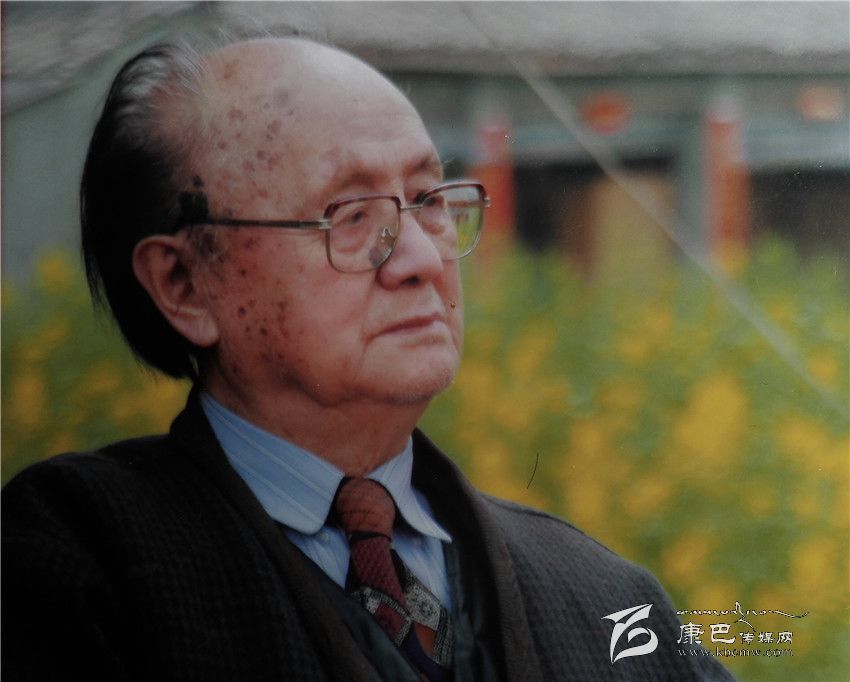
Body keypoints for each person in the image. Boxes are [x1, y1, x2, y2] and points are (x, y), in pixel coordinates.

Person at [2, 36, 733, 681]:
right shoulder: (75, 570)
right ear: (184, 284)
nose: (421, 259)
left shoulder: (606, 599)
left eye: (428, 199)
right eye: (350, 217)